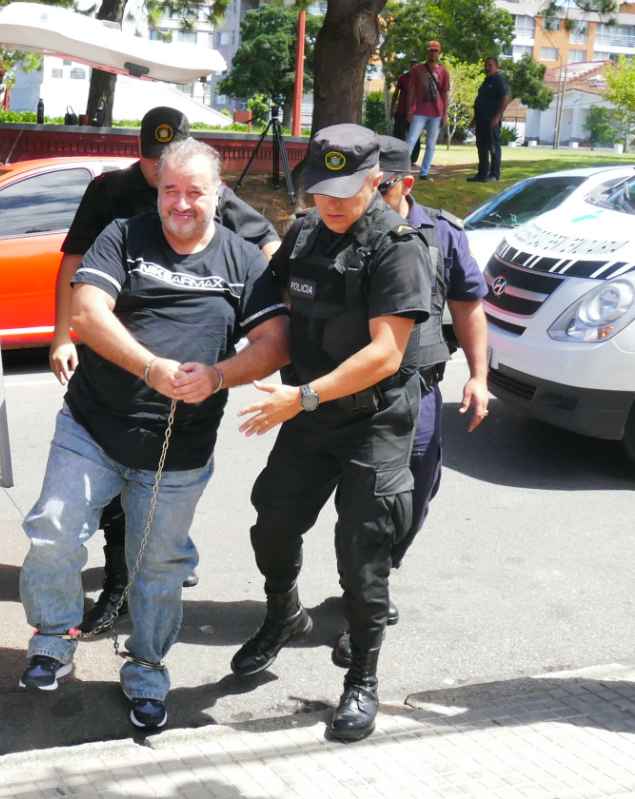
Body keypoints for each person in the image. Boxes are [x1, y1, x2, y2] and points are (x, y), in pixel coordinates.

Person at [18, 137, 290, 729]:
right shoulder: (124, 236)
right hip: (92, 425)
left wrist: (219, 375)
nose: (182, 203)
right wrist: (149, 366)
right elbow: (86, 313)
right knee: (52, 531)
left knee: (159, 568)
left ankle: (146, 670)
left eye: (195, 191)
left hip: (179, 449)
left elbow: (275, 345)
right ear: (157, 190)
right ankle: (53, 636)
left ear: (218, 193)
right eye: (172, 190)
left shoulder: (244, 260)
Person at [230, 124, 432, 743]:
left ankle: (361, 680)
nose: (334, 202)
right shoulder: (307, 231)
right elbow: (271, 297)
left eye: (347, 190)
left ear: (378, 181)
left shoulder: (399, 246)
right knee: (273, 523)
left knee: (363, 552)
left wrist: (303, 396)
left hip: (372, 419)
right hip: (309, 411)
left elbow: (385, 355)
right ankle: (282, 615)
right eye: (322, 190)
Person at [50, 106, 282, 634]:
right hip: (113, 382)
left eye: (187, 185)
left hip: (183, 417)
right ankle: (116, 586)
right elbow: (75, 263)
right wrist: (62, 334)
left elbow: (267, 244)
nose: (172, 191)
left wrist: (279, 305)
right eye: (157, 171)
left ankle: (160, 569)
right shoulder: (111, 196)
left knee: (157, 528)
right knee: (96, 514)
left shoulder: (205, 190)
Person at [328, 135, 490, 667]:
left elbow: (468, 307)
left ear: (405, 184)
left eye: (382, 188)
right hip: (341, 388)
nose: (368, 198)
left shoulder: (441, 232)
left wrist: (478, 375)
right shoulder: (338, 225)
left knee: (413, 495)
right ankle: (362, 598)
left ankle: (377, 573)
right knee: (356, 504)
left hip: (416, 387)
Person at [405, 41, 450, 182]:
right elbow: (411, 91)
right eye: (431, 50)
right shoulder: (418, 70)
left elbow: (445, 94)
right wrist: (409, 111)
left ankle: (424, 173)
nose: (433, 53)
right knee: (411, 140)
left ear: (439, 53)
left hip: (436, 114)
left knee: (431, 144)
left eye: (436, 51)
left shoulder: (443, 71)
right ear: (427, 52)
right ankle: (402, 171)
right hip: (420, 112)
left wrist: (445, 114)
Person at [468, 57, 511, 184]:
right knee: (481, 147)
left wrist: (497, 117)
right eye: (486, 65)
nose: (487, 68)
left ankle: (494, 175)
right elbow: (480, 101)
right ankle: (482, 174)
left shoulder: (500, 81)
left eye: (490, 65)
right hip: (481, 120)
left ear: (496, 67)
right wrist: (474, 119)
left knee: (493, 148)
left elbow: (506, 99)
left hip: (492, 121)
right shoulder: (486, 82)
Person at [390, 58, 421, 166]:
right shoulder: (402, 78)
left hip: (415, 112)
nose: (413, 67)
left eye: (415, 65)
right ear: (408, 66)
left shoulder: (420, 78)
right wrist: (391, 109)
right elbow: (396, 94)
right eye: (411, 64)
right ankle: (398, 160)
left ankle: (413, 160)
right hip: (401, 111)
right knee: (399, 136)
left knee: (415, 136)